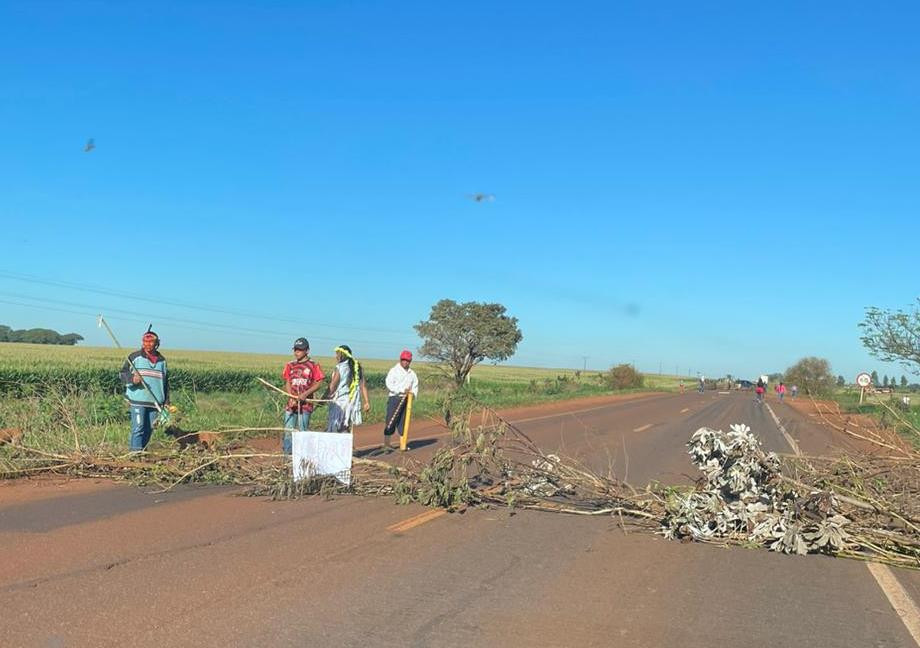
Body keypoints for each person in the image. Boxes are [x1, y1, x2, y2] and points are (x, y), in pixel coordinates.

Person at [119, 329, 169, 451]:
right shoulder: (134, 357)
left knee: (150, 428)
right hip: (138, 399)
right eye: (145, 342)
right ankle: (134, 454)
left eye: (151, 342)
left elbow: (166, 382)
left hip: (156, 400)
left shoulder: (162, 361)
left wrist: (166, 402)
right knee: (138, 427)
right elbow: (122, 374)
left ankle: (142, 450)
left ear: (156, 344)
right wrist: (132, 379)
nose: (147, 345)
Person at [280, 337, 325, 454]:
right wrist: (291, 397)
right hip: (291, 405)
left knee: (302, 433)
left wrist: (305, 394)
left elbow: (319, 382)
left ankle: (302, 457)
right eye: (295, 349)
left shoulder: (314, 365)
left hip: (305, 406)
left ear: (307, 351)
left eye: (300, 350)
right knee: (288, 431)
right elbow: (288, 381)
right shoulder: (290, 365)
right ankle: (288, 458)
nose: (297, 352)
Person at [324, 345, 370, 433]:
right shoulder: (357, 367)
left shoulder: (340, 368)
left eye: (338, 354)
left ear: (343, 355)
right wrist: (367, 402)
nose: (336, 356)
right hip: (350, 403)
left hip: (339, 403)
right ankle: (345, 446)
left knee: (335, 427)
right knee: (344, 427)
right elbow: (363, 386)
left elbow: (332, 386)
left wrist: (322, 399)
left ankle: (336, 446)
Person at [382, 349, 419, 451]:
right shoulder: (394, 370)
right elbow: (389, 384)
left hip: (407, 399)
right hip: (395, 398)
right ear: (400, 359)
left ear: (410, 361)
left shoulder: (412, 374)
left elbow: (415, 386)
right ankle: (387, 444)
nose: (405, 362)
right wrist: (401, 390)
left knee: (403, 421)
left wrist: (412, 394)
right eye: (403, 360)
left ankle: (403, 444)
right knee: (391, 420)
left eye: (407, 360)